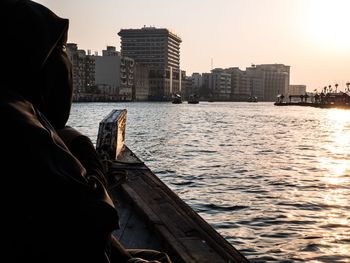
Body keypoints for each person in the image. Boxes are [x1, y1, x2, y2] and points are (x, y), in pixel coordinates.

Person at [0, 1, 171, 262]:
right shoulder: (22, 128)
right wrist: (84, 151)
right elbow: (93, 218)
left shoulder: (15, 110)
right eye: (59, 52)